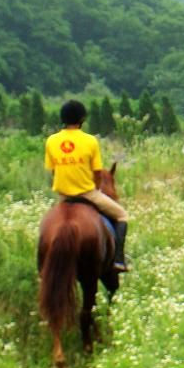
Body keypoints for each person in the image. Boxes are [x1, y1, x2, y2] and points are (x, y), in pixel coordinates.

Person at [45, 100, 129, 272]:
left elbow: (53, 171)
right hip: (88, 194)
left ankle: (43, 265)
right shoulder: (90, 141)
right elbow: (97, 172)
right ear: (82, 119)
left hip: (63, 196)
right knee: (122, 216)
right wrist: (96, 188)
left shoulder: (51, 141)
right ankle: (119, 259)